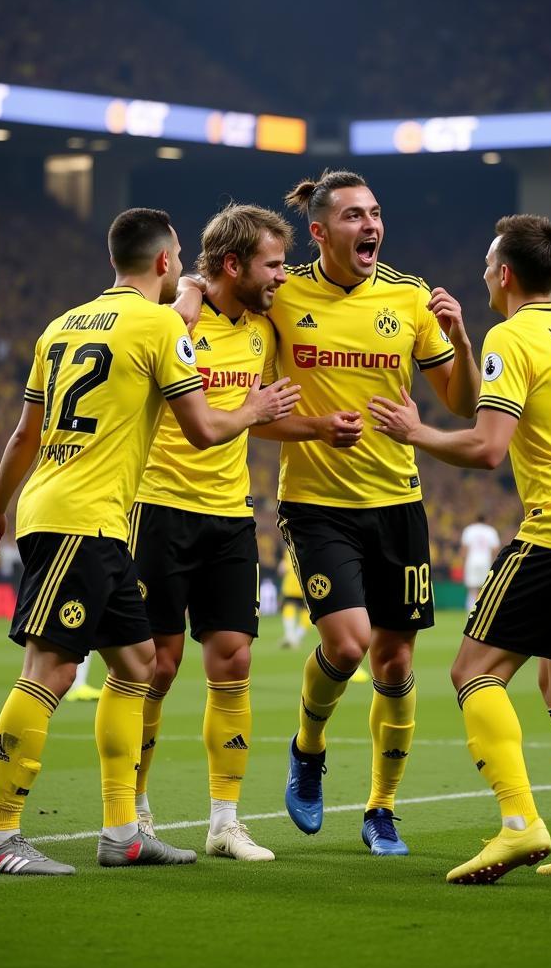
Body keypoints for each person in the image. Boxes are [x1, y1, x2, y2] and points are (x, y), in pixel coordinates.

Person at [0, 207, 299, 876]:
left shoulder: (61, 324)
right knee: (51, 670)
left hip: (84, 517)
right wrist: (256, 410)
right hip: (80, 518)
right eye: (179, 256)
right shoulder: (161, 325)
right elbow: (205, 430)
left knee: (138, 664)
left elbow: (22, 436)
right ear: (164, 262)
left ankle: (123, 831)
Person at [179, 169, 480, 855]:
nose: (369, 225)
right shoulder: (281, 297)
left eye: (375, 213)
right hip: (316, 504)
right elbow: (252, 409)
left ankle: (381, 808)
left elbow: (460, 404)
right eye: (353, 216)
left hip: (398, 501)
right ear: (320, 231)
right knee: (348, 645)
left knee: (397, 666)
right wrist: (193, 289)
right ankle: (308, 748)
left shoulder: (408, 296)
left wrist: (461, 340)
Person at [368, 214, 551, 883]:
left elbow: (488, 448)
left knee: (474, 671)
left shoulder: (511, 336)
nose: (482, 275)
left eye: (487, 264)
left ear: (505, 274)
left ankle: (520, 824)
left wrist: (416, 432)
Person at [130, 203, 335, 862]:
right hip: (159, 507)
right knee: (157, 665)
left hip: (230, 515)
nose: (282, 275)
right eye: (273, 264)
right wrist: (186, 289)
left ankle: (224, 822)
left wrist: (319, 427)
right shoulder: (175, 320)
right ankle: (132, 807)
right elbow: (234, 410)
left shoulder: (261, 329)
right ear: (232, 265)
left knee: (236, 660)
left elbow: (262, 414)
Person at [460, 516, 502, 611]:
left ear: (475, 520)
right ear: (485, 520)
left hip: (472, 562)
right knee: (485, 589)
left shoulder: (469, 530)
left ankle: (470, 613)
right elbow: (496, 549)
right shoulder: (491, 531)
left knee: (472, 590)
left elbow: (464, 549)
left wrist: (463, 562)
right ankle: (482, 612)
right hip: (485, 562)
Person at [279, 552, 312, 650]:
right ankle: (295, 638)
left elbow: (282, 568)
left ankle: (291, 637)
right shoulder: (310, 546)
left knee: (288, 608)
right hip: (305, 586)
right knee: (307, 613)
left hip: (291, 586)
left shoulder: (288, 550)